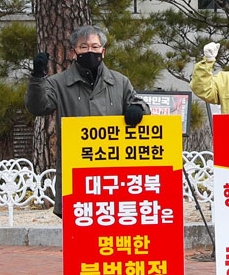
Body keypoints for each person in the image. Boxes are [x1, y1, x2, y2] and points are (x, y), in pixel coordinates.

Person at [25, 25, 150, 218]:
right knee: (80, 230)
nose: (89, 51)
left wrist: (138, 109)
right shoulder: (58, 83)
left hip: (114, 172)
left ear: (103, 51)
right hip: (77, 172)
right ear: (74, 52)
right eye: (83, 47)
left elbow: (139, 104)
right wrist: (38, 78)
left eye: (94, 46)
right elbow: (38, 107)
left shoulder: (120, 81)